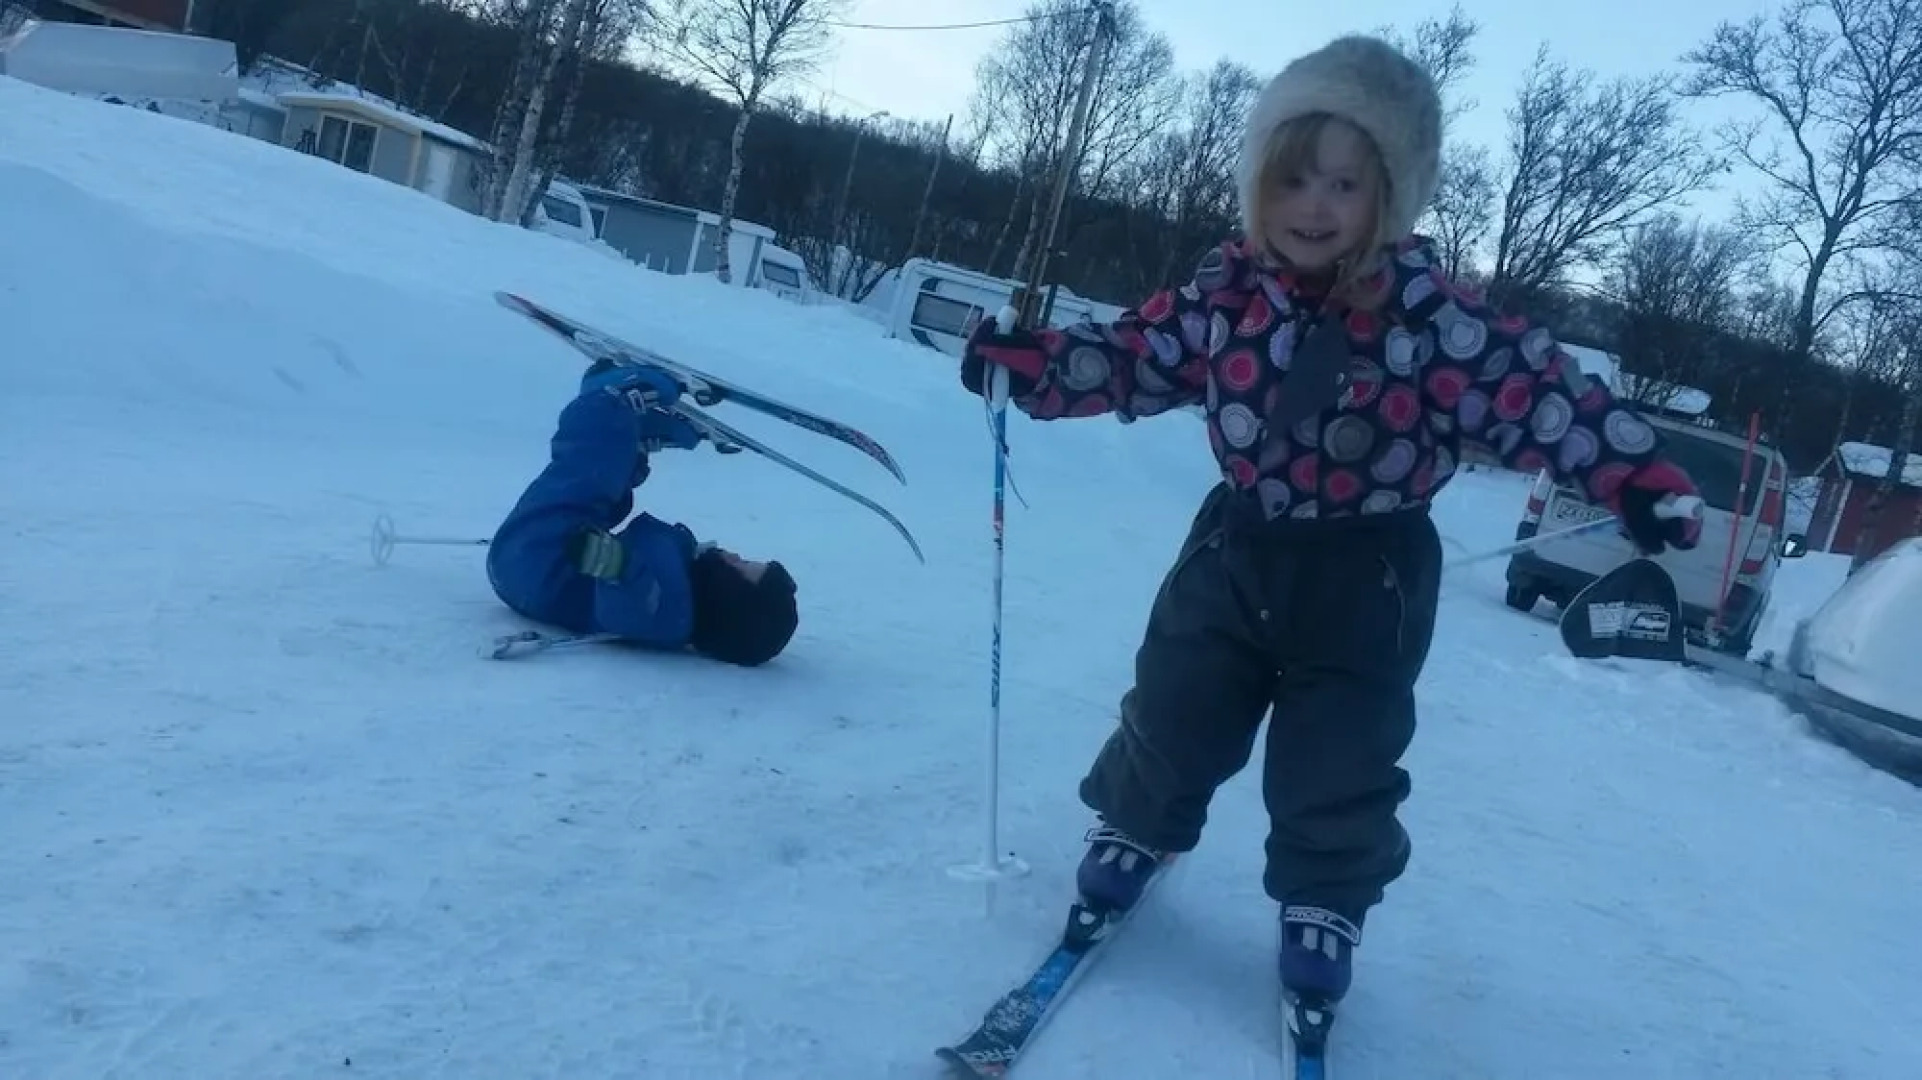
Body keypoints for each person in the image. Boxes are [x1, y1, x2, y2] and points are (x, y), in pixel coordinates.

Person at [957, 34, 1702, 1006]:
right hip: (1234, 550)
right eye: (1294, 179)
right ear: (1258, 186)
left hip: (1367, 575)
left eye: (1344, 185)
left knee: (1339, 755)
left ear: (1386, 197)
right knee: (1175, 704)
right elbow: (1135, 354)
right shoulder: (1224, 294)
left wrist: (1630, 475)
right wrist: (1040, 366)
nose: (1313, 205)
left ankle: (1324, 897)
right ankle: (1135, 824)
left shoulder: (1433, 320)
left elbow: (1534, 393)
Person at [486, 359, 799, 667]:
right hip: (543, 566)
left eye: (741, 565)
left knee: (586, 475)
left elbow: (625, 605)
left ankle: (606, 402)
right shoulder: (681, 594)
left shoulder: (663, 615)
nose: (732, 555)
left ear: (730, 598)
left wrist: (618, 567)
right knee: (610, 498)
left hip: (534, 562)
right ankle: (630, 443)